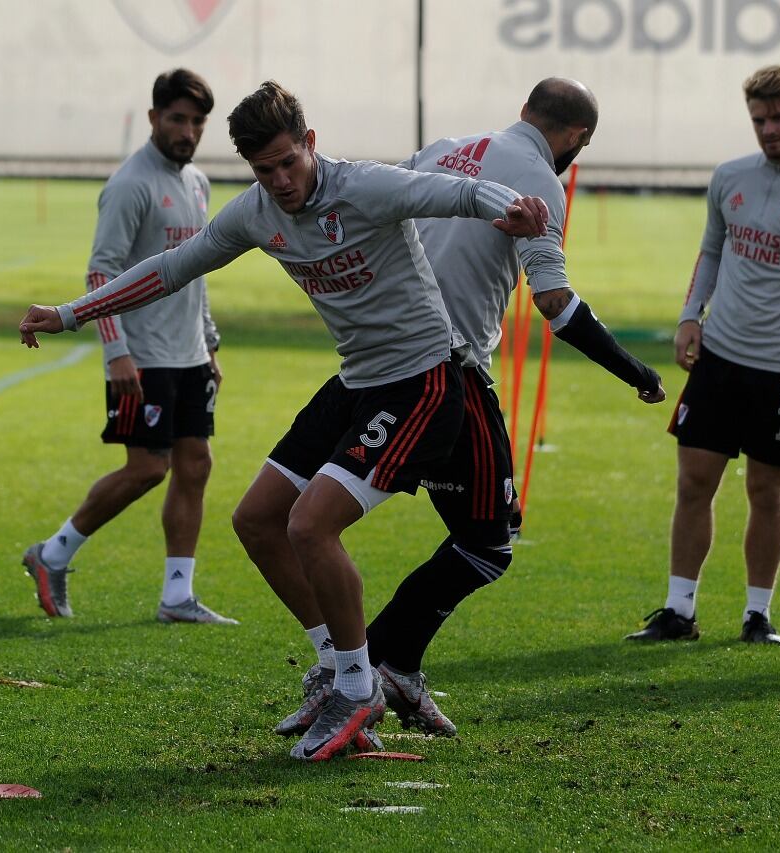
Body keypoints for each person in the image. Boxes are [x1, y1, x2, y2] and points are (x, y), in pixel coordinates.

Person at [17, 81, 550, 759]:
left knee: (310, 523)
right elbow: (170, 268)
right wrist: (69, 313)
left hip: (421, 381)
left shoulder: (366, 187)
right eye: (263, 170)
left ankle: (360, 688)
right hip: (357, 381)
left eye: (288, 163)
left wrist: (516, 207)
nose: (280, 181)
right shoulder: (257, 213)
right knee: (257, 519)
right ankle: (336, 665)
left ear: (311, 144)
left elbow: (456, 192)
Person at [268, 78, 665, 739]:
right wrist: (637, 372)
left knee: (474, 525)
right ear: (577, 140)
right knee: (488, 543)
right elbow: (555, 303)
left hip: (377, 360)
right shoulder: (540, 176)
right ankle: (365, 669)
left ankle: (381, 665)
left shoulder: (442, 149)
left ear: (524, 113)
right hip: (446, 375)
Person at [20, 69, 235, 625]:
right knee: (147, 468)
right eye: (177, 119)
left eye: (197, 122)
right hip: (143, 355)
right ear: (153, 119)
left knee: (195, 463)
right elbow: (101, 273)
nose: (187, 131)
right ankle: (52, 554)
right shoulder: (130, 184)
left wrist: (209, 343)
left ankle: (177, 596)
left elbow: (196, 272)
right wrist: (116, 351)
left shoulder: (197, 182)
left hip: (188, 354)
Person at [625, 65, 780, 647]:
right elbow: (711, 250)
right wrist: (692, 314)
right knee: (694, 483)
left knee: (768, 492)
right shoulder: (731, 177)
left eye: (779, 117)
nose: (769, 129)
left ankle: (758, 615)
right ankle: (678, 610)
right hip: (721, 359)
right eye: (759, 119)